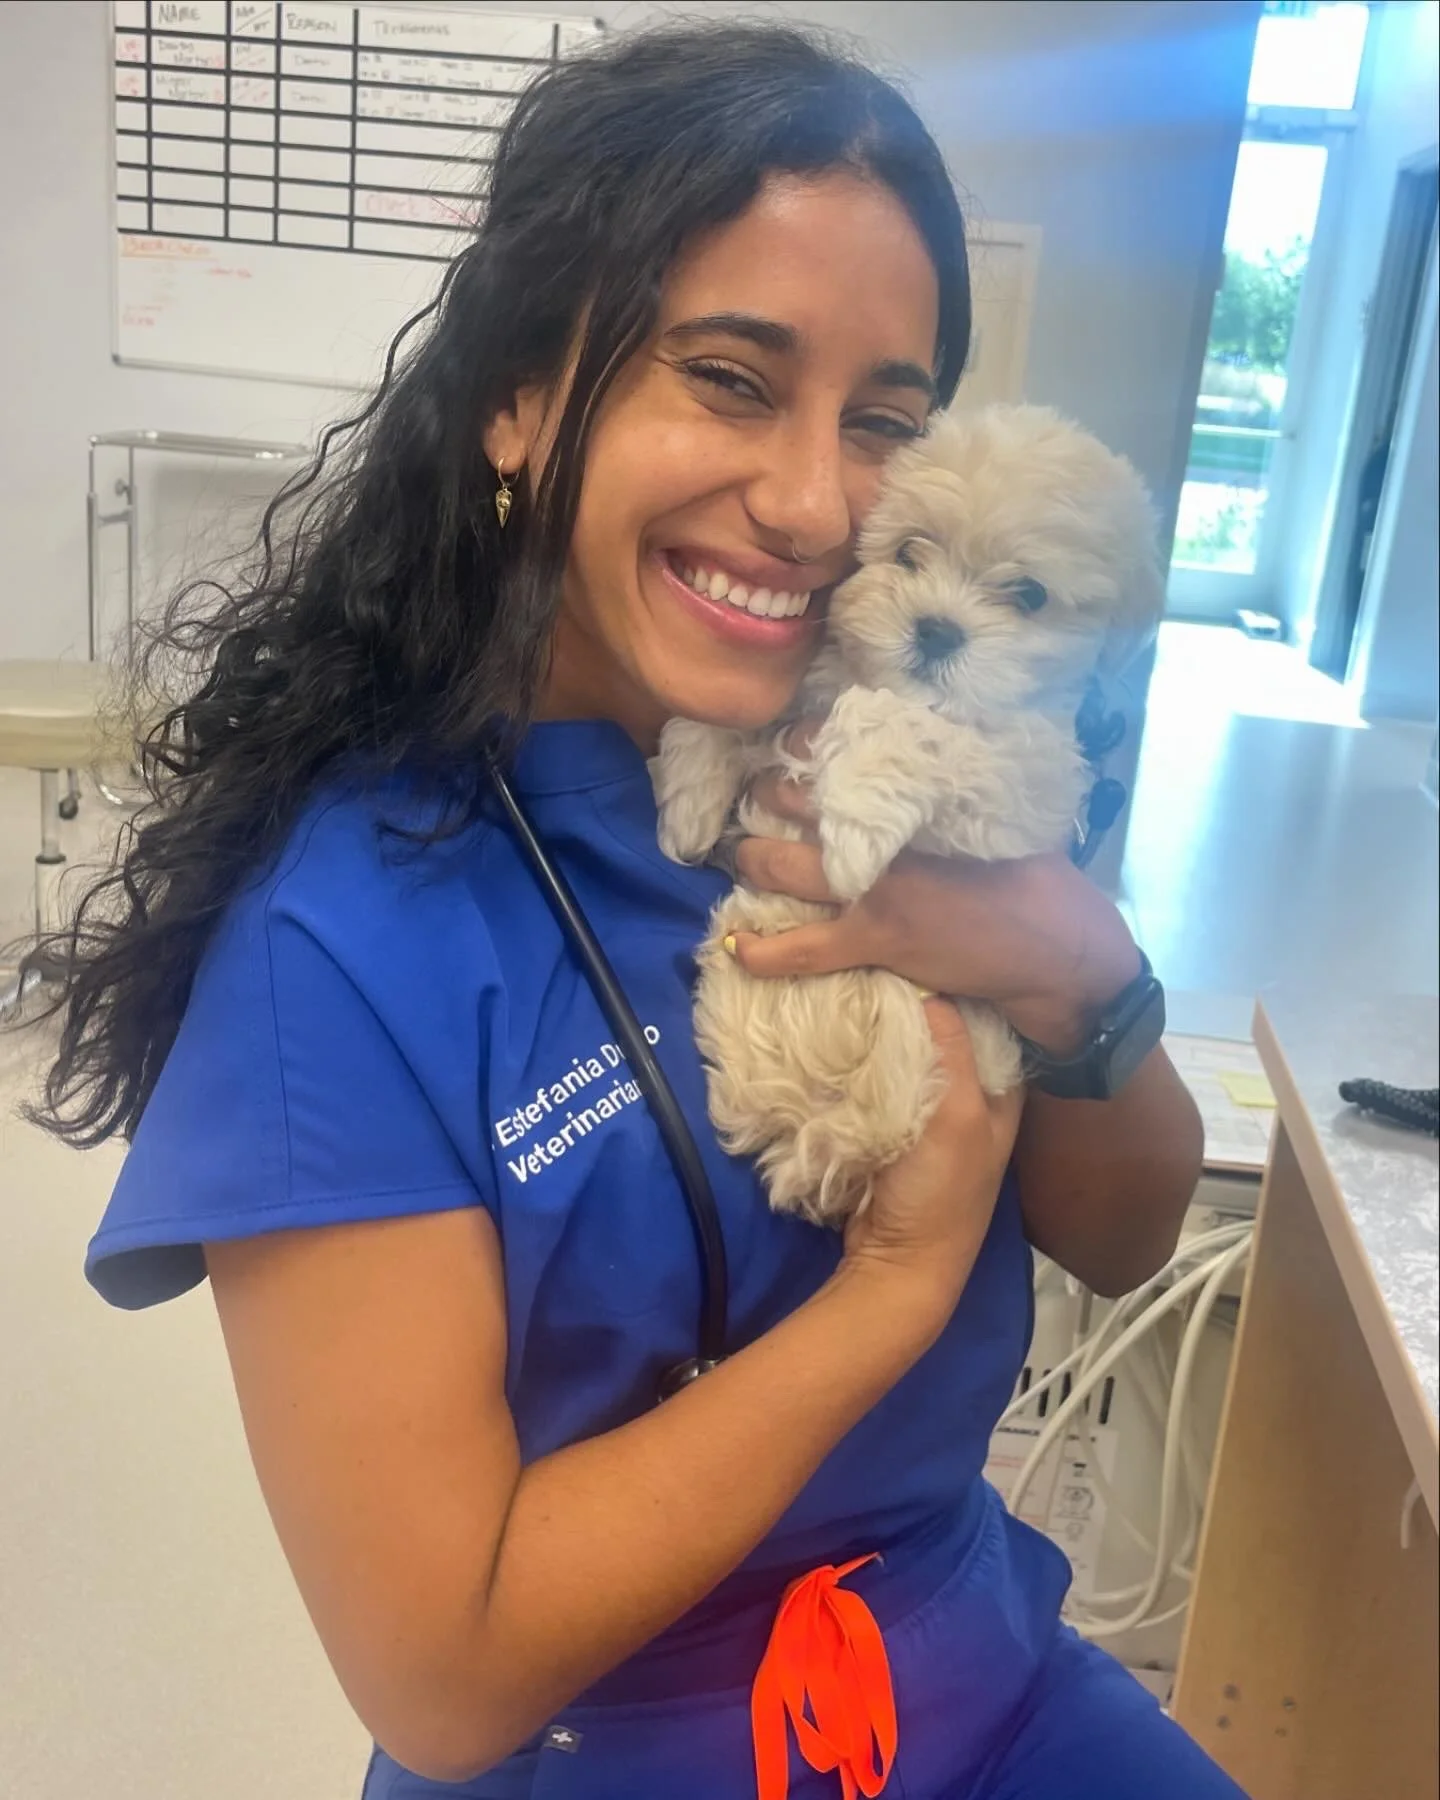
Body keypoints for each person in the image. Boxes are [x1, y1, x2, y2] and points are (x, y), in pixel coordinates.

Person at [28, 21, 1249, 1800]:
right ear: (519, 396)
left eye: (884, 421)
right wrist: (891, 1290)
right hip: (632, 1752)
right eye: (733, 380)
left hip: (980, 1676)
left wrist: (1084, 978)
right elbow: (443, 1676)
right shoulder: (346, 941)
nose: (817, 502)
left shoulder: (900, 766)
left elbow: (1129, 1234)